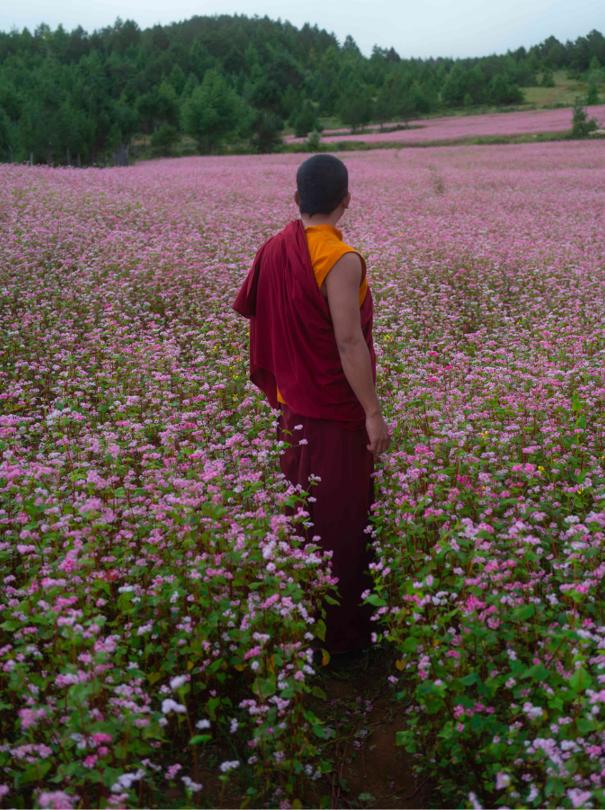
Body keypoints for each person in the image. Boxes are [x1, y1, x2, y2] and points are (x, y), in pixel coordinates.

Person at [231, 154, 391, 664]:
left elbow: (260, 315)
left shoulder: (274, 249)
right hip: (335, 413)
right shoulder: (340, 258)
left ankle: (301, 627)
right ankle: (342, 643)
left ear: (297, 199)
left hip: (295, 406)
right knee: (341, 523)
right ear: (347, 200)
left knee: (305, 517)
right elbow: (348, 342)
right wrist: (372, 411)